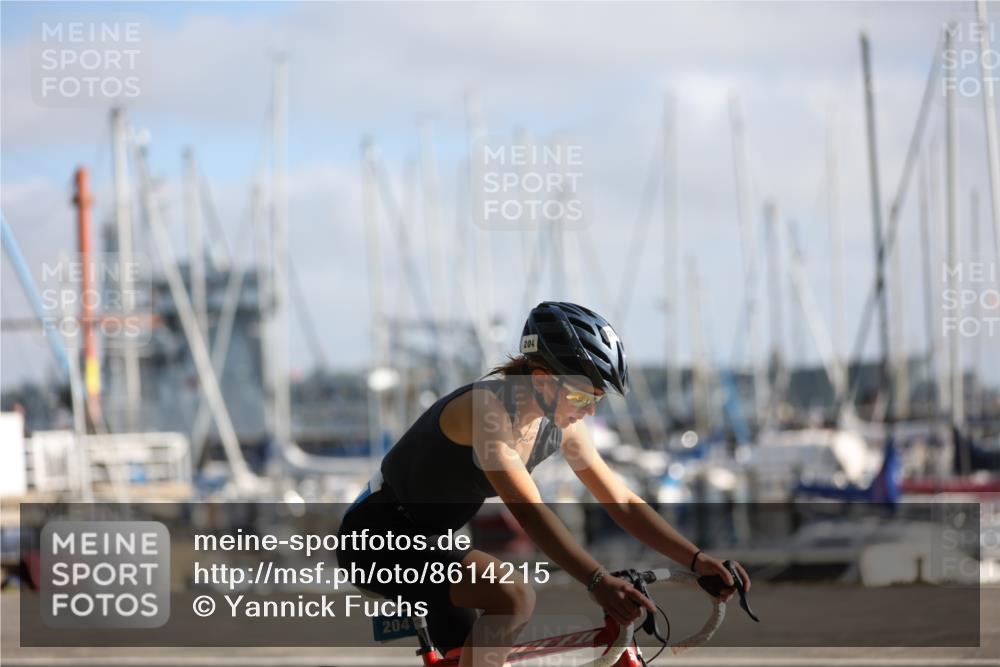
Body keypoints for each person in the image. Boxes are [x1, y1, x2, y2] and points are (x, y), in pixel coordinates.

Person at [336, 301, 750, 666]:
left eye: (598, 400)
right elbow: (531, 514)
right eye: (585, 397)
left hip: (434, 542)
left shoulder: (559, 422)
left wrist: (696, 560)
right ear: (540, 378)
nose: (590, 412)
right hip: (375, 538)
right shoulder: (486, 409)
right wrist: (597, 581)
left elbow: (619, 499)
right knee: (513, 597)